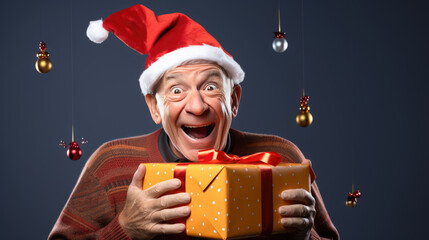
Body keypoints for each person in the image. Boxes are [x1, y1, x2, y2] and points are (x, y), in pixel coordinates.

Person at [49, 4, 339, 240]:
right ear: (155, 106)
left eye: (210, 87)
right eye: (177, 91)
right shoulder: (111, 165)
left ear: (234, 100)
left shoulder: (281, 159)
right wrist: (124, 229)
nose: (198, 106)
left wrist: (303, 238)